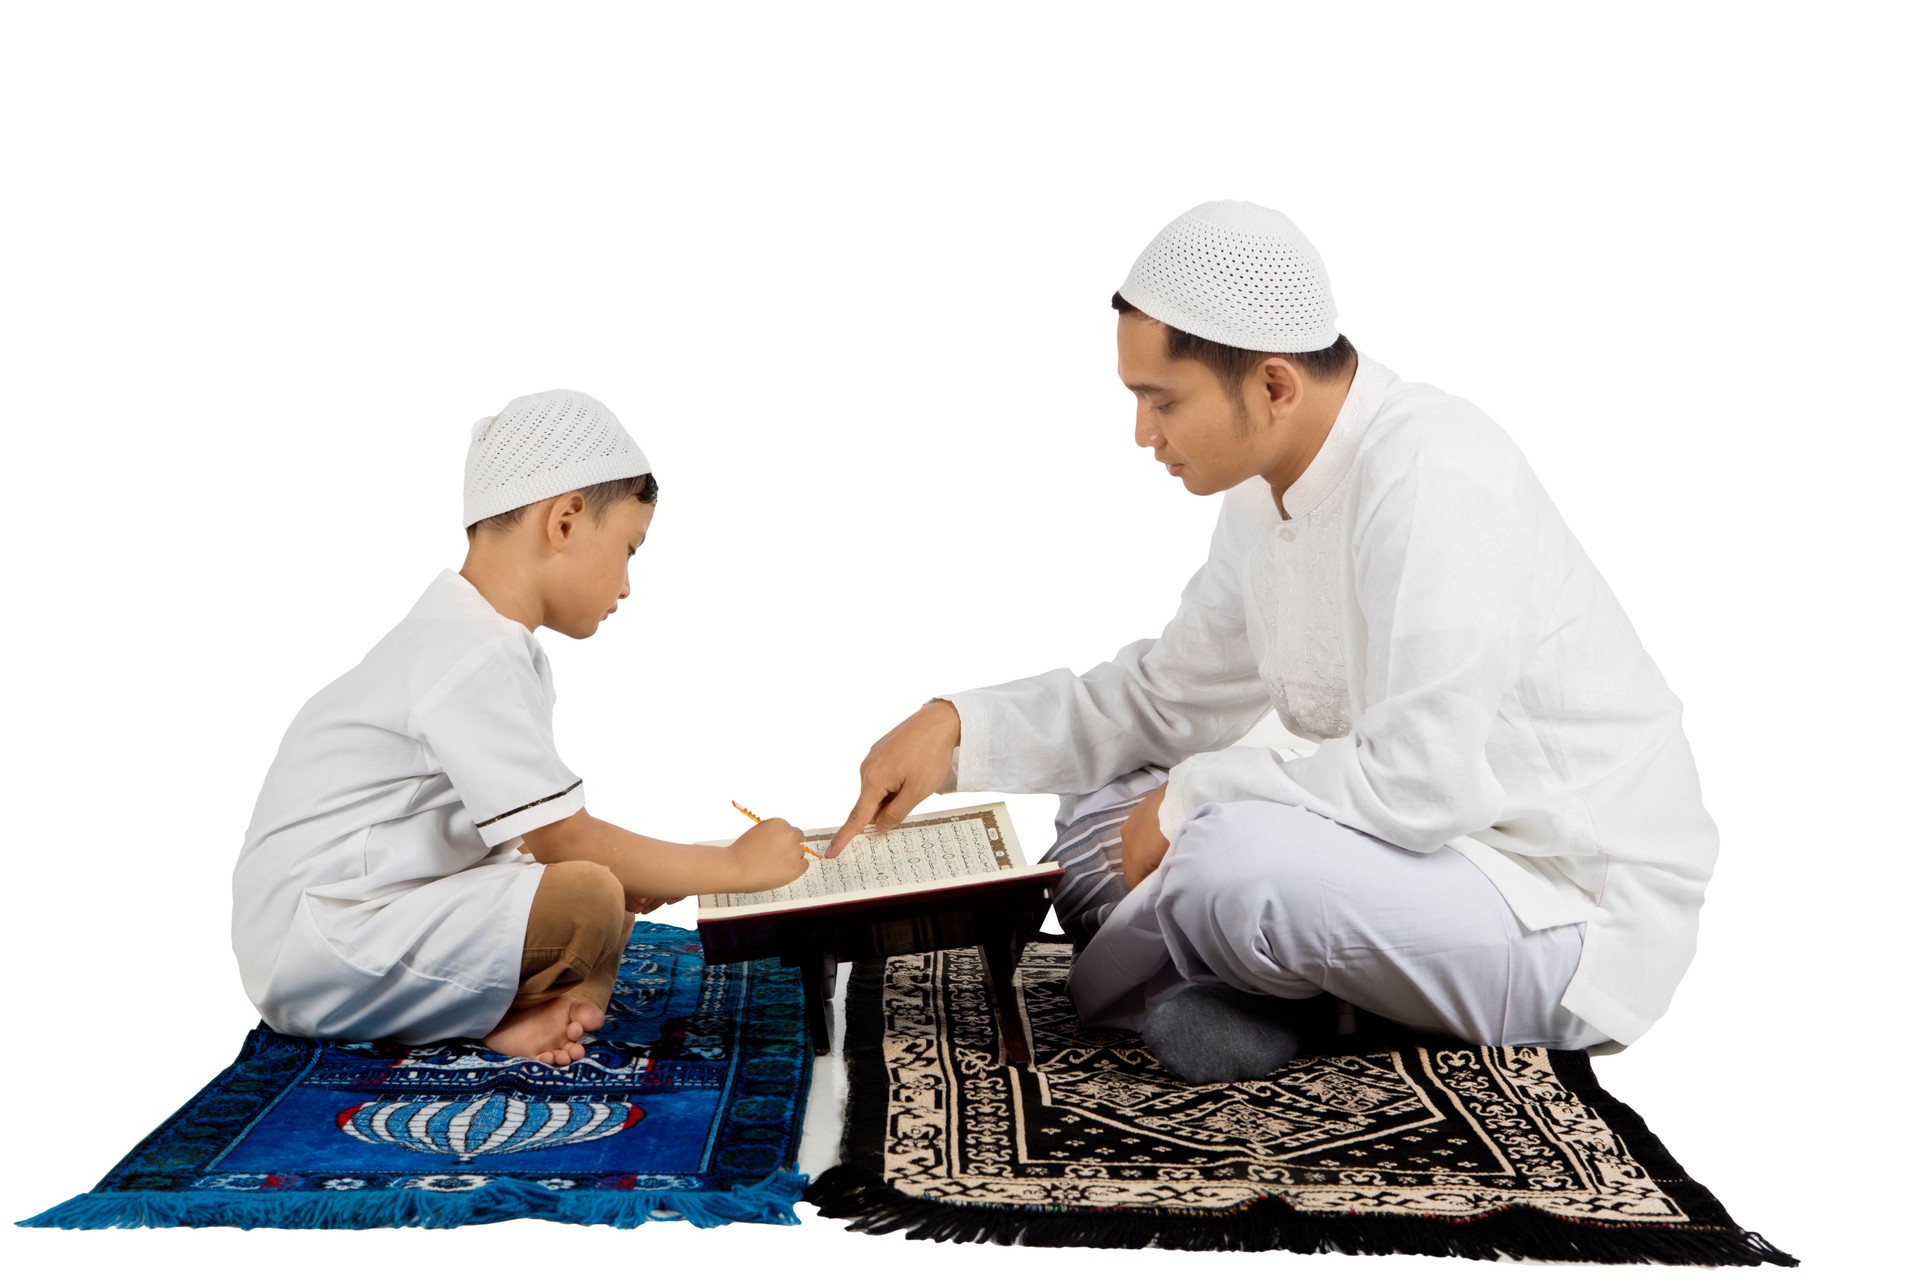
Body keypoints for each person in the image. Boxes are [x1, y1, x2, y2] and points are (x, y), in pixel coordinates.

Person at [828, 201, 1717, 1083]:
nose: (1144, 435)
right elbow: (1167, 700)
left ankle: (1274, 993)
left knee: (1224, 865)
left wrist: (1188, 804)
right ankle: (1267, 986)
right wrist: (955, 727)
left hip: (1560, 904)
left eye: (1161, 401)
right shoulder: (1264, 493)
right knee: (1100, 801)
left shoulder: (1436, 474)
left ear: (1275, 385)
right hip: (1409, 863)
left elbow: (1421, 784)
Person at [232, 389, 810, 1064]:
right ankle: (503, 1016)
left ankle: (524, 1014)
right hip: (321, 943)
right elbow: (563, 836)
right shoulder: (471, 651)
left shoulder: (476, 639)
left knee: (604, 890)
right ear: (565, 520)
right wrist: (733, 867)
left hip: (351, 921)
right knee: (590, 889)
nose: (626, 584)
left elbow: (521, 838)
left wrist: (640, 871)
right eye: (628, 548)